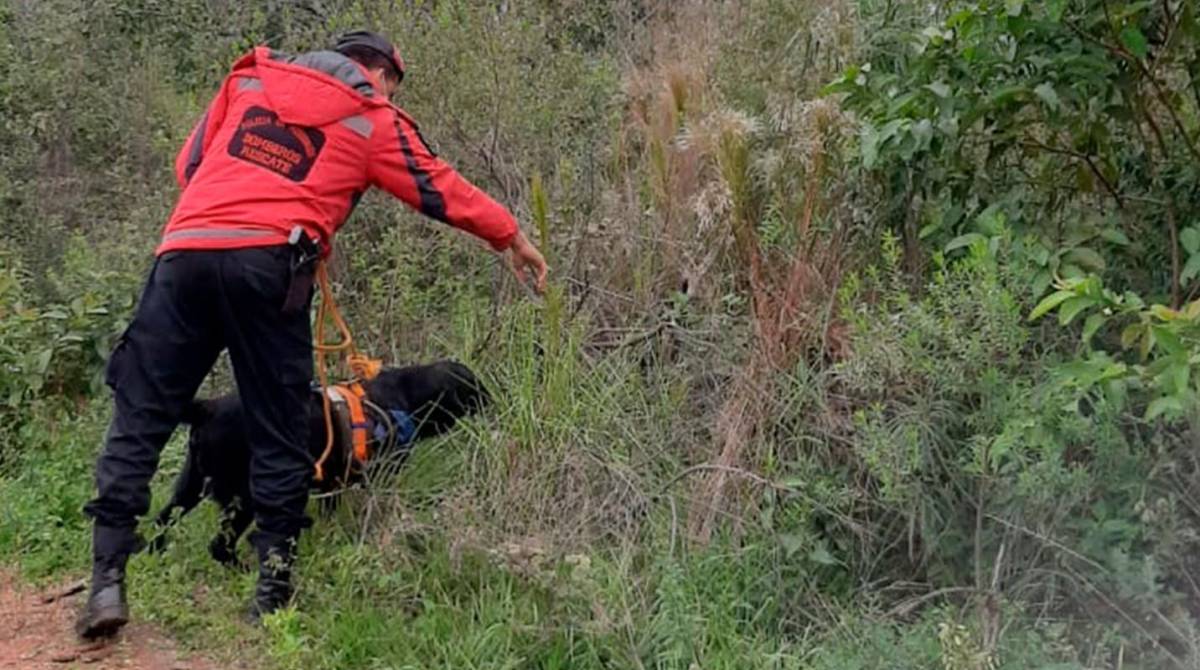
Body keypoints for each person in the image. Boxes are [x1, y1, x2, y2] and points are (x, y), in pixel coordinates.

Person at [76, 30, 548, 638]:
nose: (390, 96)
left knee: (139, 419)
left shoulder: (246, 83)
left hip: (185, 253)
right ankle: (272, 591)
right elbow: (439, 188)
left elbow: (189, 166)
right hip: (270, 266)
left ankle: (107, 581)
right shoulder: (370, 116)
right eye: (392, 87)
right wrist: (511, 236)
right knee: (279, 428)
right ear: (377, 74)